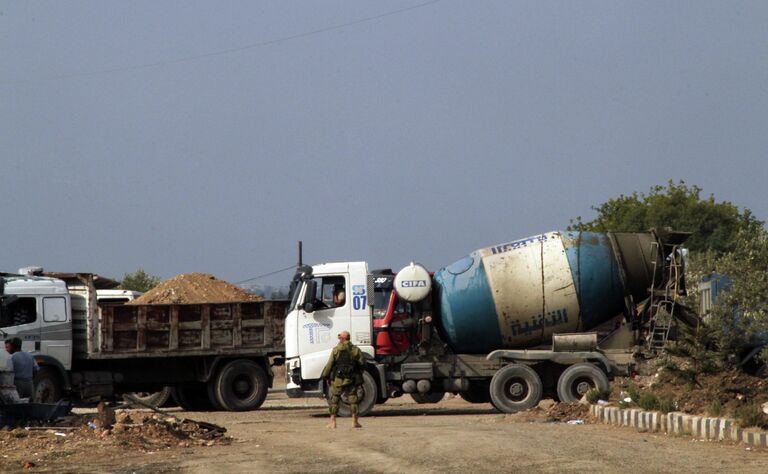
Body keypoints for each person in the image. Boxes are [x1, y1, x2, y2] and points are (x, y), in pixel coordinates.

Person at [321, 330, 365, 428]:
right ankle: (355, 421)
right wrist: (357, 373)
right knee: (353, 398)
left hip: (338, 378)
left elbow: (330, 364)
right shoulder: (356, 350)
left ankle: (333, 422)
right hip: (351, 378)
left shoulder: (336, 350)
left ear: (342, 339)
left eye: (340, 338)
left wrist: (325, 375)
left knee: (335, 398)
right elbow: (362, 364)